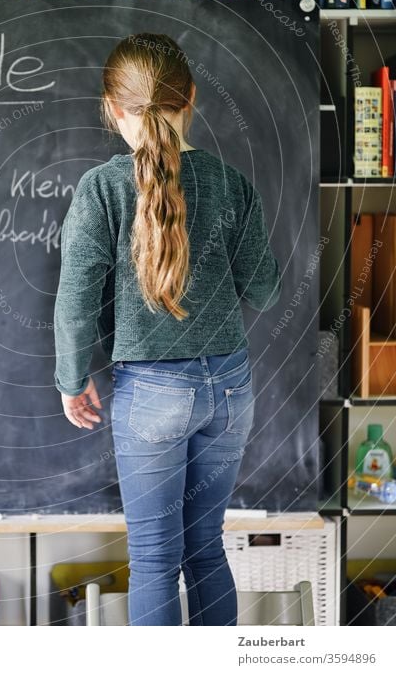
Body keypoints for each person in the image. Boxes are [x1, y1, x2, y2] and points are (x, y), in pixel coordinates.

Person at [53, 32, 282, 626]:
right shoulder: (231, 184)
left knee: (156, 562)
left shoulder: (102, 190)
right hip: (231, 389)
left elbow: (76, 302)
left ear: (113, 108)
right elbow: (266, 290)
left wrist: (71, 379)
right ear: (192, 100)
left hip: (151, 395)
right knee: (206, 549)